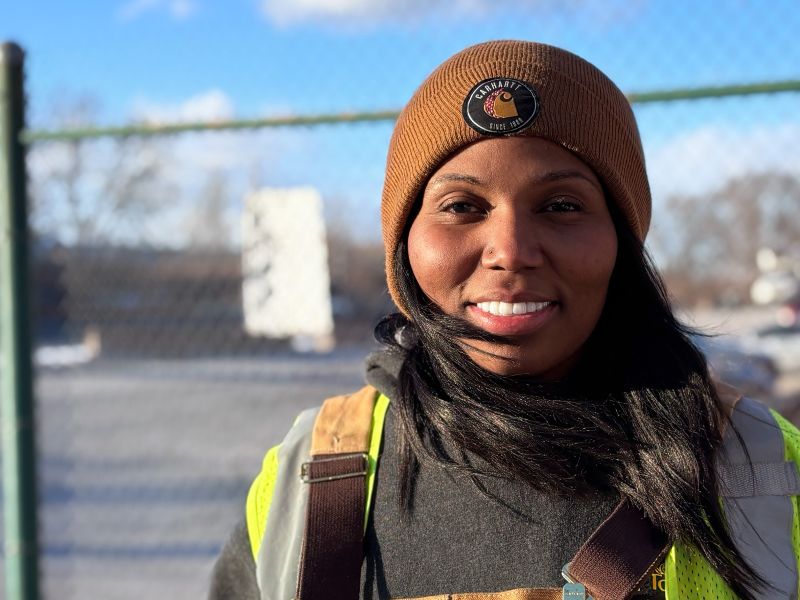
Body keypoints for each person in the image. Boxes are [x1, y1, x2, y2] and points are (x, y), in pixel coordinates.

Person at [209, 40, 800, 600]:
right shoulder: (304, 477)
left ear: (621, 241)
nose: (510, 249)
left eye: (562, 206)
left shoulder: (763, 464)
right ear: (404, 247)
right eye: (462, 207)